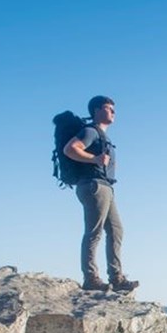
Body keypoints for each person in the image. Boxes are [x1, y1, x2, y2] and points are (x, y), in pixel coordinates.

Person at [63, 95, 138, 292]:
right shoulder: (90, 131)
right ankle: (91, 278)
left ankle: (116, 277)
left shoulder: (102, 135)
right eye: (108, 108)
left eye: (113, 109)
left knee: (116, 230)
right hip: (94, 186)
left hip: (105, 186)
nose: (113, 112)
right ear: (96, 111)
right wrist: (94, 158)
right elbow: (70, 149)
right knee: (94, 232)